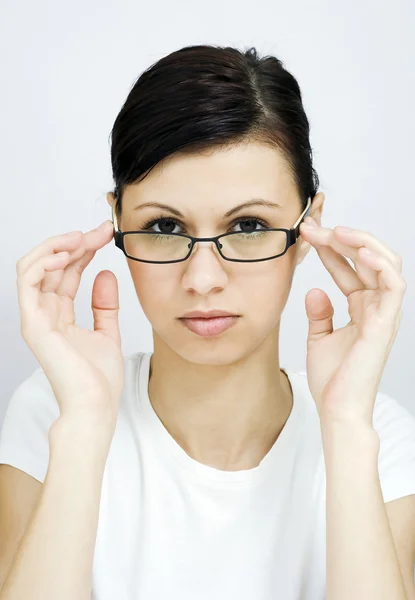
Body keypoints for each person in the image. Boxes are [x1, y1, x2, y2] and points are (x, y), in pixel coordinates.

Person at [0, 44, 415, 600]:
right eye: (165, 228)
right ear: (117, 223)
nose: (202, 279)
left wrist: (343, 424)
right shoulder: (53, 411)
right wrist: (83, 428)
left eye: (247, 225)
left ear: (307, 228)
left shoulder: (377, 434)